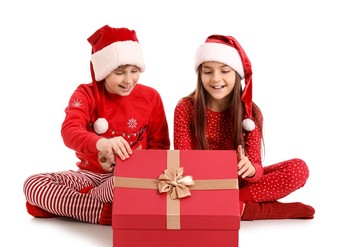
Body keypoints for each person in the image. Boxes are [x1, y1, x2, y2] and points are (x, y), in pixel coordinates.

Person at [23, 25, 170, 225]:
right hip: (87, 177)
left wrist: (136, 170)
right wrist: (102, 144)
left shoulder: (150, 97)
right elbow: (69, 131)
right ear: (103, 70)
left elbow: (160, 148)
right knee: (33, 184)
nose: (129, 80)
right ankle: (103, 210)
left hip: (126, 179)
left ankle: (71, 205)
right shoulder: (85, 93)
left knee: (127, 186)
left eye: (134, 71)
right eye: (119, 72)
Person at [173, 34, 315, 220]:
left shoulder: (251, 114)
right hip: (201, 186)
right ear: (200, 75)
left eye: (225, 71)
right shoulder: (186, 108)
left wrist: (251, 169)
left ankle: (229, 205)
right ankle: (262, 211)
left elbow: (256, 169)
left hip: (239, 186)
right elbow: (183, 160)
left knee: (298, 168)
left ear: (237, 74)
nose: (216, 79)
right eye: (208, 72)